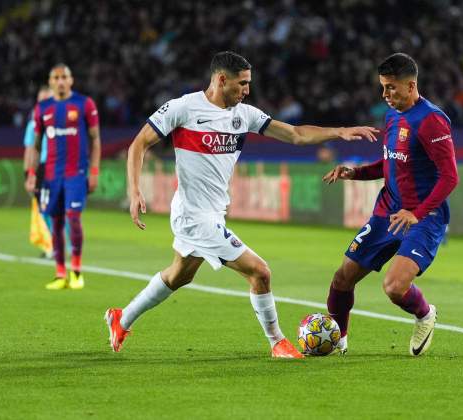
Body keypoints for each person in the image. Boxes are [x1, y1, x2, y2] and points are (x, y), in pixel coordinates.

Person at [104, 51, 378, 358]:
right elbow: (138, 143)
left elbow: (296, 135)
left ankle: (121, 318)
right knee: (260, 272)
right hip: (193, 216)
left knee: (179, 275)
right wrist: (135, 190)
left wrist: (337, 131)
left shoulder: (244, 114)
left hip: (213, 213)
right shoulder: (183, 108)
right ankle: (277, 342)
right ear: (222, 80)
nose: (247, 90)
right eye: (242, 83)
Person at [322, 53, 459, 356]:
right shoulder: (392, 115)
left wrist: (417, 213)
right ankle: (338, 340)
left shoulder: (432, 120)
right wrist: (355, 173)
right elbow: (390, 163)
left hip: (424, 217)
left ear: (411, 86)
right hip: (387, 211)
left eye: (391, 88)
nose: (385, 95)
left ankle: (425, 314)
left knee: (394, 287)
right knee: (342, 277)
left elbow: (450, 177)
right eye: (383, 88)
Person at [24, 64, 102, 290]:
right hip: (50, 176)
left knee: (73, 217)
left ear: (71, 80)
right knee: (56, 222)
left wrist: (94, 171)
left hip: (76, 174)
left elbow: (96, 140)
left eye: (63, 77)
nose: (60, 81)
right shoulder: (42, 108)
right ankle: (60, 273)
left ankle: (76, 270)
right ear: (50, 82)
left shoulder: (84, 104)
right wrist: (31, 174)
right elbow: (36, 146)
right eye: (55, 77)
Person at [23, 85, 53, 258]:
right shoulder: (33, 125)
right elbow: (30, 151)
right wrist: (29, 174)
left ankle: (57, 245)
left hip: (60, 168)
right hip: (44, 169)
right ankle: (50, 245)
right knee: (45, 207)